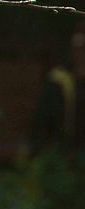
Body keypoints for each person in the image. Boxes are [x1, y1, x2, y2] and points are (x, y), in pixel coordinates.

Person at [32, 21, 85, 152]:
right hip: (67, 151)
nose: (80, 54)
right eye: (78, 49)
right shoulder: (57, 81)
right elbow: (43, 122)